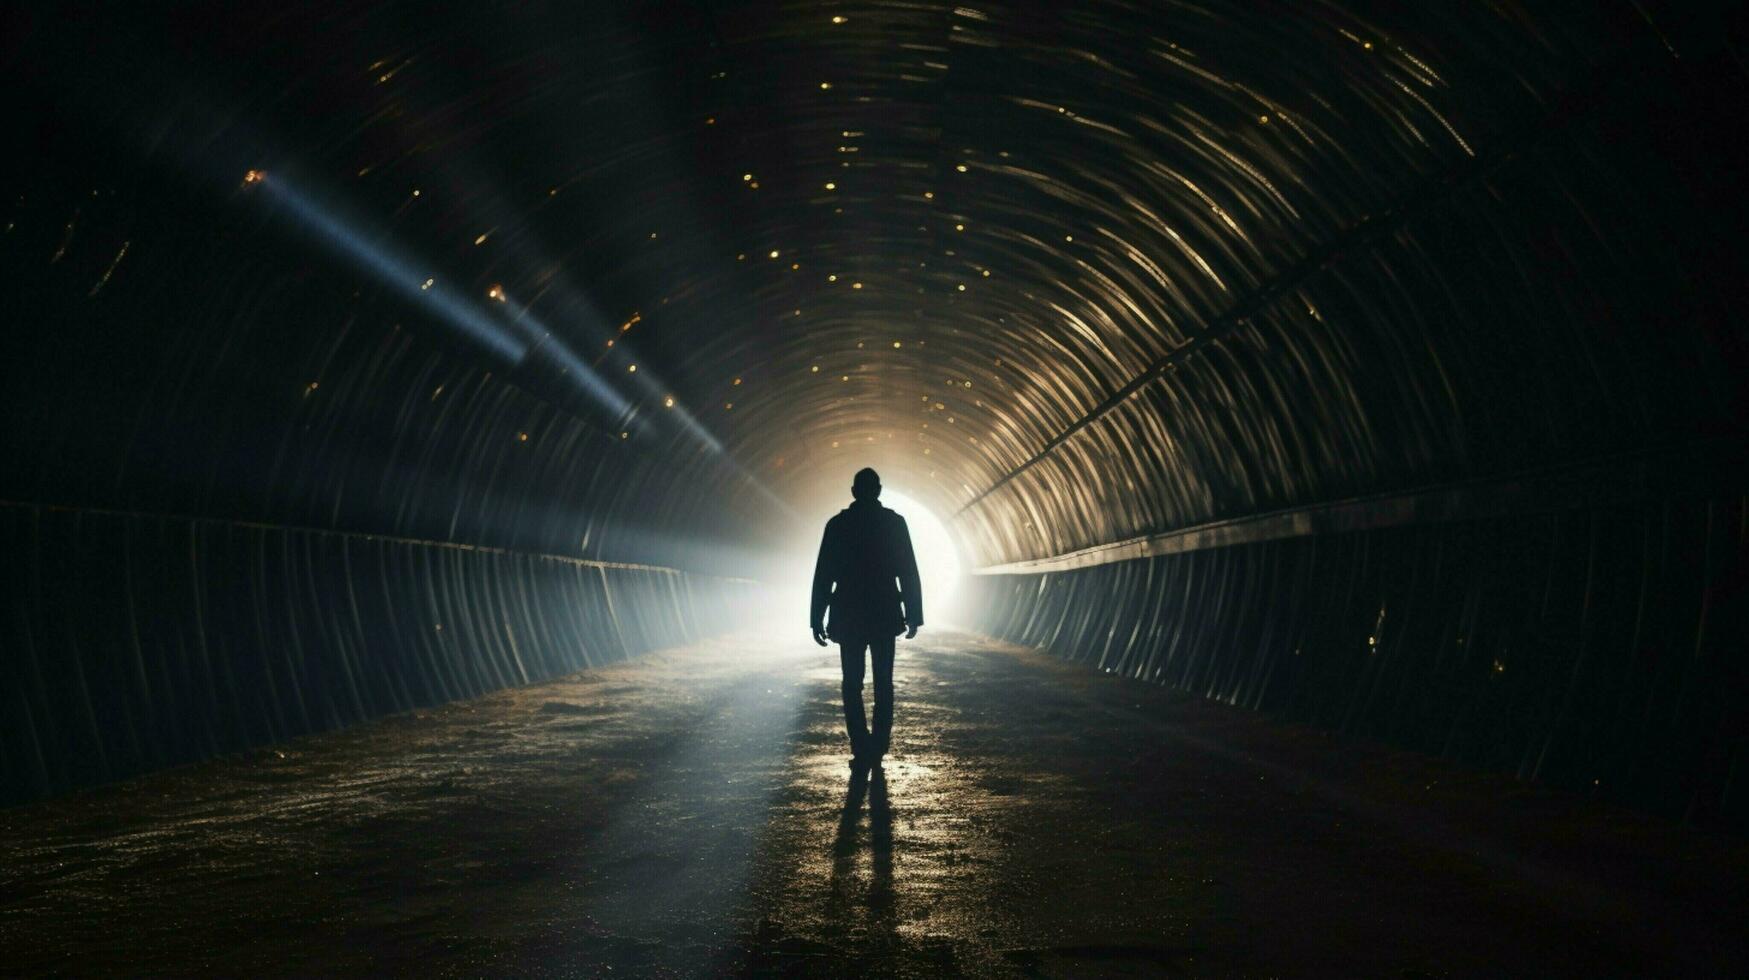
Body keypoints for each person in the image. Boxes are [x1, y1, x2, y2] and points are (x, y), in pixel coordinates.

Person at [811, 468, 923, 768]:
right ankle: (879, 745)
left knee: (852, 682)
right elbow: (908, 571)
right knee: (883, 681)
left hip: (848, 614)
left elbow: (824, 574)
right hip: (884, 613)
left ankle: (861, 745)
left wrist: (816, 617)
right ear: (879, 490)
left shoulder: (838, 525)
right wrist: (914, 615)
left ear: (853, 491)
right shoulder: (894, 524)